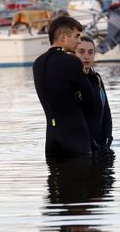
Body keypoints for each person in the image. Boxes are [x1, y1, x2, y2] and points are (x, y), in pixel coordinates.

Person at [33, 16, 94, 157]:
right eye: (76, 36)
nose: (79, 42)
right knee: (81, 175)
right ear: (63, 36)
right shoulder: (72, 62)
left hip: (51, 137)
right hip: (74, 134)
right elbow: (89, 101)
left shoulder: (38, 63)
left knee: (56, 177)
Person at [75, 36, 114, 155]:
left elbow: (106, 110)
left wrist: (108, 137)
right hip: (82, 146)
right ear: (73, 54)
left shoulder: (97, 78)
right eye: (81, 52)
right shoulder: (72, 81)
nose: (86, 56)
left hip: (102, 144)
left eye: (90, 52)